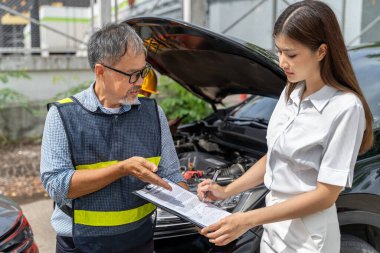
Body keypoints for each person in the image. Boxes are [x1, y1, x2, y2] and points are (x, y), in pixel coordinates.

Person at [197, 1, 373, 252]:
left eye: (290, 54)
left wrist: (246, 219)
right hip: (273, 227)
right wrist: (226, 191)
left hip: (308, 239)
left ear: (322, 51)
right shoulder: (291, 92)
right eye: (279, 51)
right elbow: (275, 157)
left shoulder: (345, 108)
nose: (281, 62)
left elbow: (326, 195)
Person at [40, 23, 187, 253]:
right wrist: (122, 169)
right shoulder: (63, 116)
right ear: (100, 71)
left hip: (140, 242)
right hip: (80, 245)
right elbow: (58, 186)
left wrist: (197, 206)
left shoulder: (152, 113)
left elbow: (171, 175)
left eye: (143, 71)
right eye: (131, 74)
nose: (140, 82)